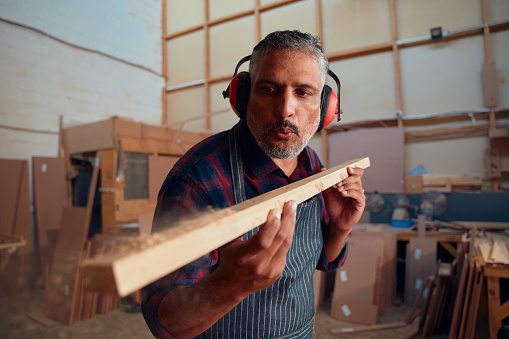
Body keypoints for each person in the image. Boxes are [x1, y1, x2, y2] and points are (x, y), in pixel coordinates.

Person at [141, 30, 365, 339]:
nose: (286, 109)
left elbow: (321, 263)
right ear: (243, 96)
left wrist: (340, 228)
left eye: (303, 92)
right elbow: (164, 320)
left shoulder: (311, 165)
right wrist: (229, 286)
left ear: (326, 107)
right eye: (269, 89)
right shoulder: (198, 178)